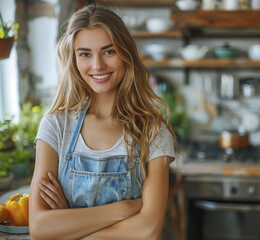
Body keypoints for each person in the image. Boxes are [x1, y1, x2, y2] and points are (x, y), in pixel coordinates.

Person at [29, 4, 176, 240]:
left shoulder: (153, 131)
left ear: (125, 53)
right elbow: (39, 228)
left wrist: (68, 223)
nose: (97, 65)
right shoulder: (55, 126)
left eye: (109, 51)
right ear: (74, 60)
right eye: (85, 54)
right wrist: (125, 209)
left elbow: (148, 230)